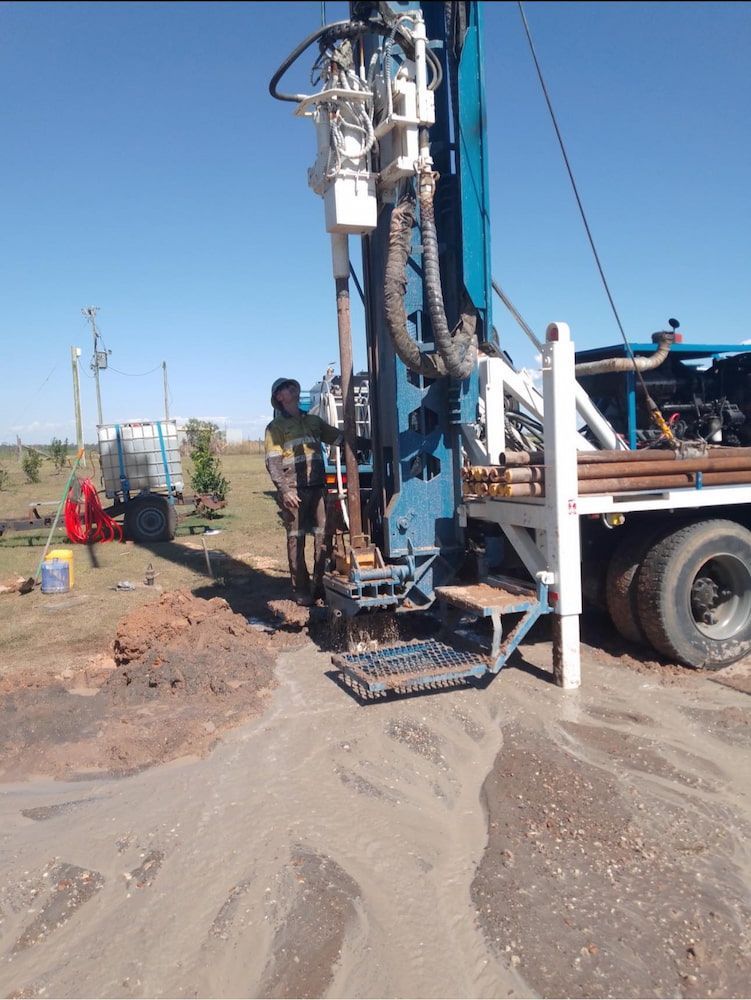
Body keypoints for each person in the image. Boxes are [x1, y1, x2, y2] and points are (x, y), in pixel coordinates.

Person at [264, 377, 344, 606]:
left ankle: (320, 585)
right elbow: (272, 462)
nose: (293, 388)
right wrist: (285, 490)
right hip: (294, 491)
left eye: (293, 385)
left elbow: (338, 438)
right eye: (287, 388)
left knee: (323, 536)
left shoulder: (313, 421)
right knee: (296, 538)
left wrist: (369, 442)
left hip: (318, 488)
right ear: (279, 397)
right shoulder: (275, 428)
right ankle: (301, 590)